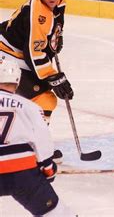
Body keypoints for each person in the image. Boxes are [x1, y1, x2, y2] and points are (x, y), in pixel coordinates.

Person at [0, 0, 74, 162]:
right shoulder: (38, 13)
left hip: (16, 53)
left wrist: (55, 39)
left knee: (43, 99)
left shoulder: (58, 3)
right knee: (43, 98)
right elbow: (33, 54)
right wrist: (54, 76)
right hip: (6, 54)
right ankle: (34, 147)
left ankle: (32, 143)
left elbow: (51, 29)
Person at [0, 59, 75, 216]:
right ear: (18, 80)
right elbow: (42, 138)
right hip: (22, 172)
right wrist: (48, 167)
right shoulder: (30, 107)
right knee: (57, 213)